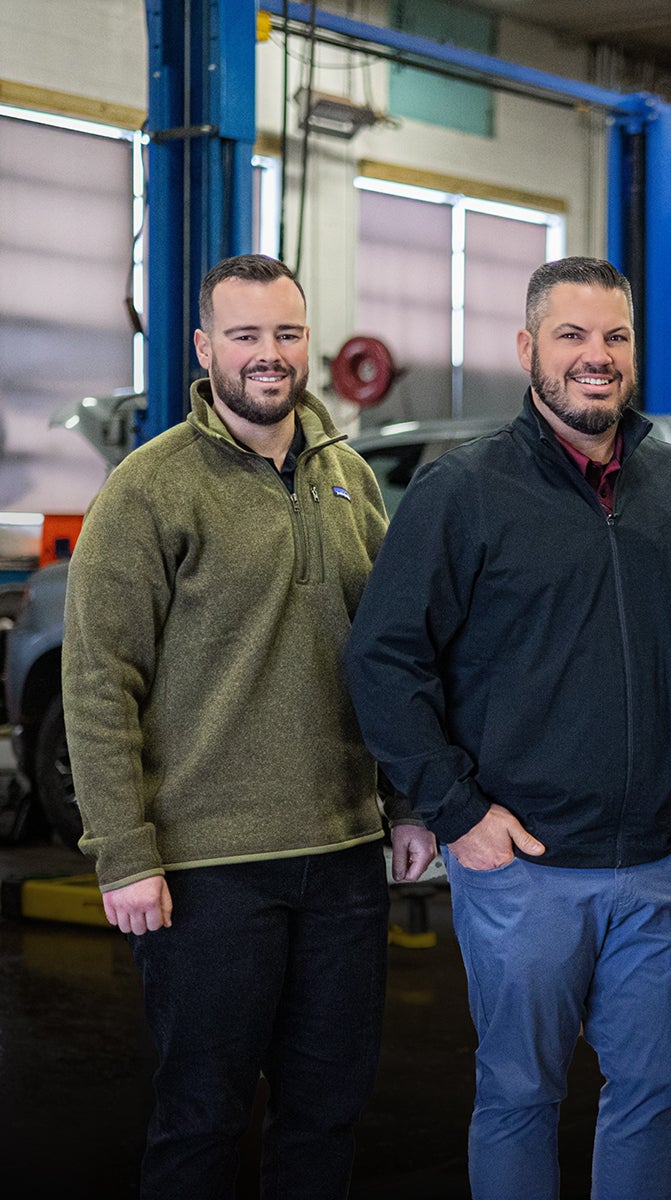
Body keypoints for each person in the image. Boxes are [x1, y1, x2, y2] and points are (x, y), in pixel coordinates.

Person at [343, 257, 671, 1200]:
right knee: (519, 1092)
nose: (596, 358)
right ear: (527, 351)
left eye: (616, 338)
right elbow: (383, 660)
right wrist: (456, 809)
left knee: (653, 1090)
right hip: (522, 867)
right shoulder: (461, 491)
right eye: (572, 336)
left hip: (659, 861)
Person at [61, 253, 436, 1199]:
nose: (269, 355)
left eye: (286, 333)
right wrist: (123, 852)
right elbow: (100, 680)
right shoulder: (149, 490)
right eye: (245, 335)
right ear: (203, 348)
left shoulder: (350, 476)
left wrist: (405, 803)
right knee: (200, 1117)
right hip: (207, 868)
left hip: (345, 856)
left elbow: (390, 656)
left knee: (327, 1110)